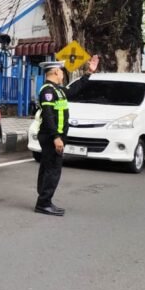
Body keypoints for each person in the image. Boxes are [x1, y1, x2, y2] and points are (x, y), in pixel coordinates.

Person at [34, 55, 99, 216]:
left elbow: (74, 90)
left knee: (47, 167)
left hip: (55, 135)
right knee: (53, 170)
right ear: (56, 71)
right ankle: (43, 203)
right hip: (51, 136)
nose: (63, 74)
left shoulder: (58, 90)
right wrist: (56, 137)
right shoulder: (48, 91)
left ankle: (43, 198)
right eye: (62, 71)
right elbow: (48, 115)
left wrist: (88, 73)